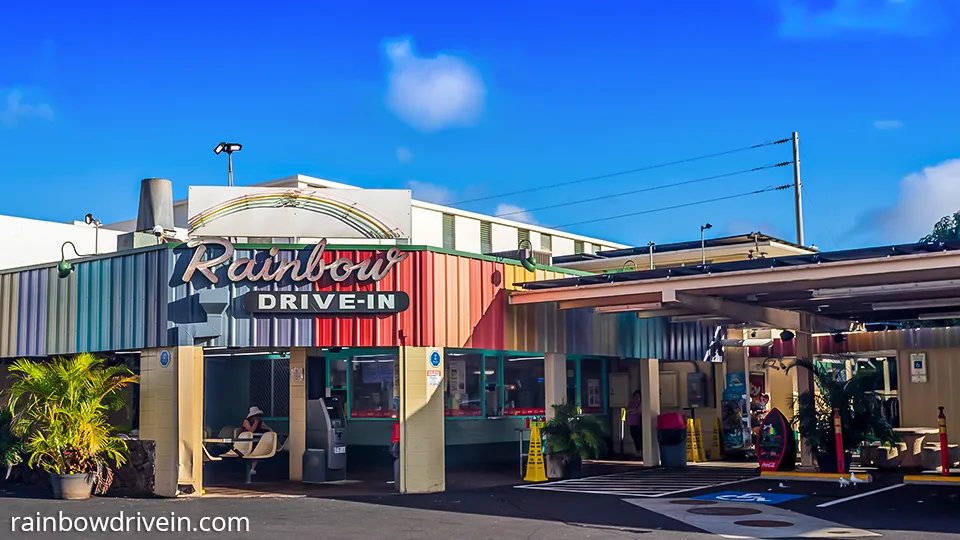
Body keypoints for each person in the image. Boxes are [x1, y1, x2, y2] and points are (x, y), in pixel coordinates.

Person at [239, 406, 272, 475]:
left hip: (256, 440)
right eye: (255, 416)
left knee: (258, 448)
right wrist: (255, 423)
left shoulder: (260, 421)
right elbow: (250, 431)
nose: (256, 417)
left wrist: (266, 428)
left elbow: (269, 430)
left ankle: (252, 468)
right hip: (245, 440)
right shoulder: (246, 421)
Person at [626, 390, 643, 458]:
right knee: (634, 437)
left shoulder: (641, 404)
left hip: (639, 424)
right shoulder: (631, 403)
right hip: (631, 424)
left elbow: (639, 411)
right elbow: (627, 410)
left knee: (639, 437)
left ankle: (641, 451)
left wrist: (633, 411)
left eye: (638, 396)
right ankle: (638, 451)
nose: (636, 398)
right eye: (635, 396)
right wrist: (633, 411)